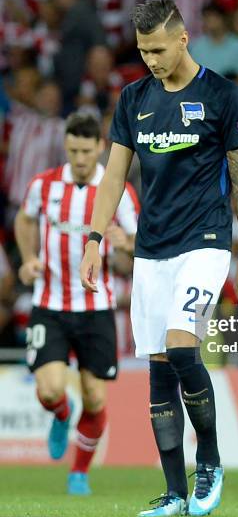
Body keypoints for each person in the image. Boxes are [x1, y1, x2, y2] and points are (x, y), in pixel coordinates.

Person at [80, 0, 238, 517]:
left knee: (184, 347)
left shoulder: (223, 96)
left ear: (183, 39)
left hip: (205, 242)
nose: (151, 60)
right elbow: (114, 176)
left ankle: (211, 464)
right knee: (158, 365)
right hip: (152, 250)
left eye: (158, 49)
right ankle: (175, 493)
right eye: (142, 51)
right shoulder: (134, 97)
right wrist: (94, 239)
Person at [14, 113, 139, 495]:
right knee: (51, 390)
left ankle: (79, 471)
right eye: (73, 151)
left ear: (100, 147)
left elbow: (136, 249)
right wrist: (27, 258)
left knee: (96, 396)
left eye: (86, 150)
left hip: (96, 307)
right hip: (49, 303)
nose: (80, 158)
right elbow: (24, 219)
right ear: (66, 147)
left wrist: (124, 243)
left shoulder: (117, 191)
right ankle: (61, 415)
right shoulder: (44, 185)